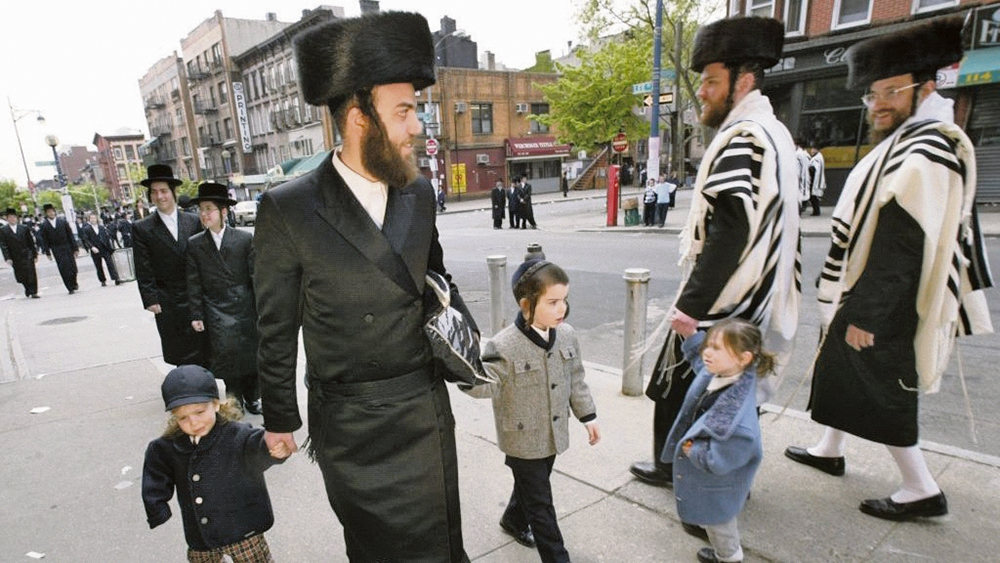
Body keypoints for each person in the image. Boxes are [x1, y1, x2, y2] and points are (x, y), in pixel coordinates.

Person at [254, 12, 478, 562]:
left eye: (416, 110)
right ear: (358, 116)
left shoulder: (419, 193)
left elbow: (437, 279)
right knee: (380, 550)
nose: (417, 125)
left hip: (422, 410)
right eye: (403, 111)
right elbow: (276, 325)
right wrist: (281, 418)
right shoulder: (288, 206)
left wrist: (470, 349)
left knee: (440, 544)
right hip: (353, 424)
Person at [784, 16, 993, 521]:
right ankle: (829, 448)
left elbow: (904, 245)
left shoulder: (928, 149)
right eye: (871, 94)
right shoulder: (909, 138)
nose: (876, 104)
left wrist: (867, 315)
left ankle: (921, 487)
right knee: (837, 369)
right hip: (862, 292)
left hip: (884, 301)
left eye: (889, 92)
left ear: (925, 88)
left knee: (885, 388)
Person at [630, 16, 801, 488]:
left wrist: (690, 308)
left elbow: (730, 230)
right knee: (725, 396)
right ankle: (688, 474)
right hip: (754, 300)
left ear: (742, 81)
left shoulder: (744, 136)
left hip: (724, 304)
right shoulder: (775, 133)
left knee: (686, 390)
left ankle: (690, 482)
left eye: (710, 81)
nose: (701, 92)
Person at [467, 259, 599, 563]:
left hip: (551, 434)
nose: (562, 308)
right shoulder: (504, 345)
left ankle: (513, 519)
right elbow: (485, 384)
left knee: (532, 486)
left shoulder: (566, 335)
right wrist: (463, 371)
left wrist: (588, 417)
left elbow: (575, 378)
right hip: (522, 439)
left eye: (564, 300)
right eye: (552, 302)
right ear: (526, 305)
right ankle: (557, 557)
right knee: (541, 504)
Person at [142, 364, 287, 563]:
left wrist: (275, 450)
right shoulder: (167, 447)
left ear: (217, 404)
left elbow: (258, 445)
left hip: (244, 528)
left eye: (200, 412)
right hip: (201, 534)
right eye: (183, 417)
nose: (193, 422)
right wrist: (156, 505)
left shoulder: (237, 435)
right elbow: (156, 473)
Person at [664, 319, 772, 563]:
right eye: (708, 345)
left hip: (717, 484)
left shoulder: (738, 423)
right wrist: (691, 335)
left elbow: (720, 460)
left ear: (743, 358)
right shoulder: (727, 372)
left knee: (719, 523)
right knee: (711, 518)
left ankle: (729, 556)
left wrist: (693, 449)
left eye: (717, 348)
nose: (707, 352)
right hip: (709, 481)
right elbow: (697, 361)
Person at [186, 182, 262, 415]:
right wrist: (197, 314)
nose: (204, 214)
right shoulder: (195, 244)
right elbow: (194, 282)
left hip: (245, 307)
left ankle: (253, 396)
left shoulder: (243, 240)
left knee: (251, 355)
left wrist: (261, 307)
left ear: (224, 212)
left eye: (209, 208)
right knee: (227, 358)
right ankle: (234, 400)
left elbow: (254, 276)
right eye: (201, 209)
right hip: (216, 309)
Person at [133, 163, 206, 367]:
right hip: (167, 297)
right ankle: (185, 387)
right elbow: (143, 266)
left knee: (202, 343)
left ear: (173, 192)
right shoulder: (142, 228)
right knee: (177, 346)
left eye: (164, 191)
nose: (160, 196)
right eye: (154, 192)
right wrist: (150, 298)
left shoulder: (193, 221)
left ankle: (204, 384)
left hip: (195, 294)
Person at [38, 203, 80, 294]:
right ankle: (70, 287)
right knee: (63, 269)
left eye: (52, 211)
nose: (51, 213)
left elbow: (70, 235)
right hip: (56, 249)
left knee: (73, 268)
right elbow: (44, 240)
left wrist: (75, 248)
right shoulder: (44, 225)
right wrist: (48, 252)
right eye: (49, 212)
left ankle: (74, 282)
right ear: (46, 213)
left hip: (67, 246)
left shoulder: (62, 222)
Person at [0, 208, 40, 298]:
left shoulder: (24, 228)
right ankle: (27, 287)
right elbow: (3, 245)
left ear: (17, 218)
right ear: (7, 219)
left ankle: (34, 291)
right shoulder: (3, 230)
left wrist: (34, 254)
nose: (12, 219)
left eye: (14, 217)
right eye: (10, 217)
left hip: (27, 253)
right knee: (21, 275)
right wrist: (7, 258)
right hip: (15, 256)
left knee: (31, 273)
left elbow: (30, 242)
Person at [79, 212, 122, 287]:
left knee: (110, 263)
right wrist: (91, 247)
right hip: (95, 249)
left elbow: (106, 237)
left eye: (94, 218)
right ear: (89, 219)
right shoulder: (87, 229)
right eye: (91, 218)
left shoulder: (101, 227)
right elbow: (86, 239)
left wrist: (110, 247)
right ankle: (102, 280)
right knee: (98, 266)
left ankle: (115, 278)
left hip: (104, 248)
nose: (93, 220)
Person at [806, 142, 826, 216]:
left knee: (813, 197)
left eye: (813, 149)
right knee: (813, 196)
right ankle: (816, 210)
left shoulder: (817, 158)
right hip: (815, 180)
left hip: (815, 180)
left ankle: (816, 211)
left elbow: (815, 169)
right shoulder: (817, 157)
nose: (812, 151)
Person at [794, 139, 811, 215]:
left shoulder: (798, 154)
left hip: (799, 177)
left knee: (798, 194)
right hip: (802, 176)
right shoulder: (802, 154)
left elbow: (797, 167)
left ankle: (799, 211)